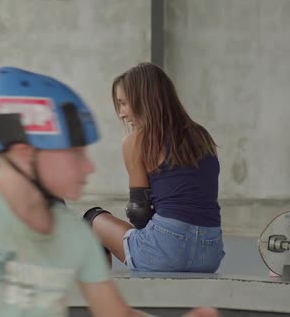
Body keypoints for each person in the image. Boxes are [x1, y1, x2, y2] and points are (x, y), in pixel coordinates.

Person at [0, 66, 220, 317]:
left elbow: (118, 313)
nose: (89, 167)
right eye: (74, 152)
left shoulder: (74, 235)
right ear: (28, 152)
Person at [83, 62, 225, 273]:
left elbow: (139, 212)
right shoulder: (201, 136)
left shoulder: (136, 141)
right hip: (211, 251)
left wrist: (150, 239)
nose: (121, 113)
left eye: (124, 103)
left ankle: (101, 301)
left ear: (143, 101)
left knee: (91, 219)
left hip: (167, 247)